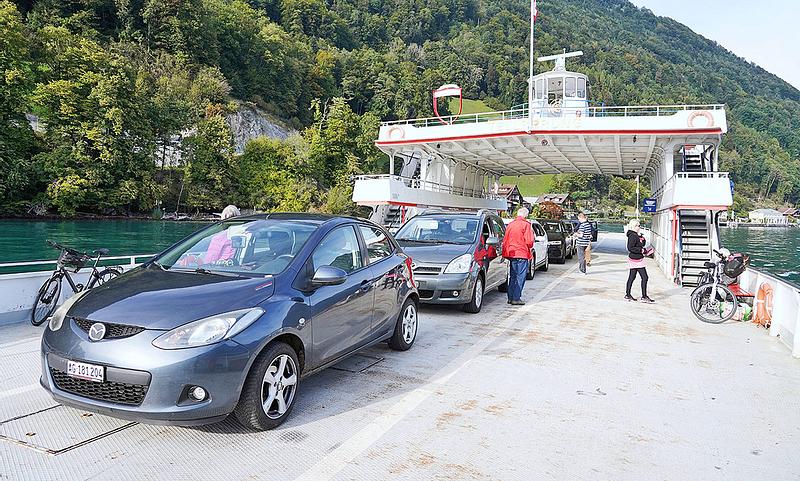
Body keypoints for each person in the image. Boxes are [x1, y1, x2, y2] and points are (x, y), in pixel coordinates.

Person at [502, 207, 534, 306]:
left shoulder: (510, 225)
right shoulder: (526, 225)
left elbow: (505, 239)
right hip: (522, 253)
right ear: (526, 215)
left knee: (513, 276)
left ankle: (510, 297)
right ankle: (516, 298)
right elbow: (529, 242)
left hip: (512, 253)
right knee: (521, 276)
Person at [625, 219, 654, 303]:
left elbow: (641, 244)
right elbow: (630, 248)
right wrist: (642, 251)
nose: (639, 227)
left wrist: (642, 239)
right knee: (644, 277)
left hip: (637, 258)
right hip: (636, 259)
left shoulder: (636, 235)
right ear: (634, 226)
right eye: (638, 225)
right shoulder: (632, 236)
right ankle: (643, 296)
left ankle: (628, 294)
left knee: (632, 277)